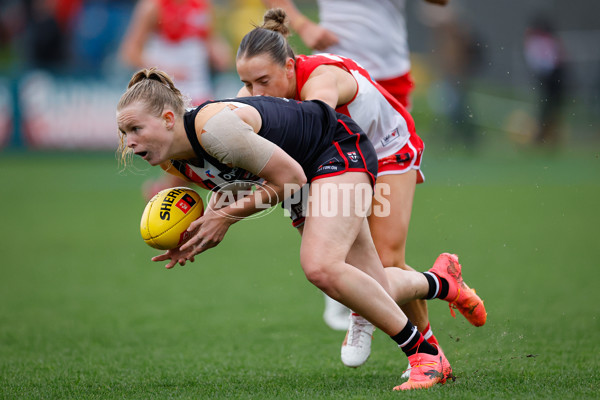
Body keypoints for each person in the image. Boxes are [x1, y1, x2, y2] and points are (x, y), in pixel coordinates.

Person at [116, 68, 487, 390]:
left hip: (334, 150)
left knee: (320, 266)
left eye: (135, 129)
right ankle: (442, 281)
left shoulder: (213, 128)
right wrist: (198, 229)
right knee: (374, 289)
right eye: (123, 132)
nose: (129, 142)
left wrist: (225, 218)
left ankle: (426, 356)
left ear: (168, 118)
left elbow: (288, 178)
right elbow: (231, 188)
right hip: (305, 175)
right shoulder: (174, 165)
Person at [236, 8, 480, 371]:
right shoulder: (256, 91)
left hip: (388, 149)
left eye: (262, 81)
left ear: (289, 68)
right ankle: (437, 306)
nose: (255, 93)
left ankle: (372, 315)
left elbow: (313, 130)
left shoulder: (321, 81)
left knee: (385, 260)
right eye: (247, 84)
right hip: (342, 159)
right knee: (356, 269)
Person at [260, 0, 450, 337]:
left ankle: (361, 300)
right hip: (335, 70)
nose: (251, 92)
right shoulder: (310, 79)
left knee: (386, 259)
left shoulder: (316, 87)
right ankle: (362, 295)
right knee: (357, 257)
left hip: (386, 83)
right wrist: (303, 25)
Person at [119, 0, 232, 198]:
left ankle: (162, 195)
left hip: (200, 92)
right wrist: (165, 72)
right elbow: (130, 52)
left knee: (200, 159)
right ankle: (166, 195)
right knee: (194, 156)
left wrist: (219, 53)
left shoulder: (202, 5)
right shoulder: (153, 7)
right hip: (169, 95)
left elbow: (210, 39)